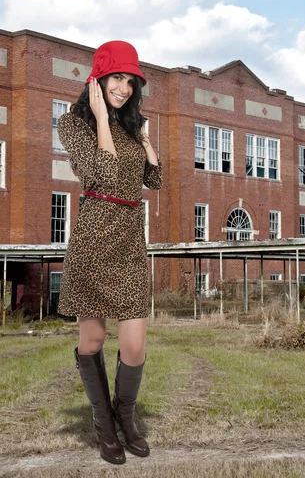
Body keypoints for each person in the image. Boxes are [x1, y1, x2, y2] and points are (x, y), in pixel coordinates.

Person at [57, 40, 163, 465]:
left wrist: (144, 137)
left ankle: (127, 419)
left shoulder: (131, 125)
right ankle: (104, 425)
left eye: (130, 80)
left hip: (130, 239)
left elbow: (153, 181)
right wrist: (102, 117)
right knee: (95, 337)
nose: (124, 87)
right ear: (97, 79)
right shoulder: (73, 123)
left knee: (134, 344)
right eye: (117, 77)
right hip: (95, 237)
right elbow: (100, 172)